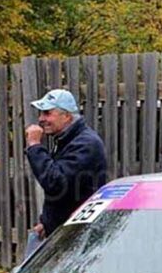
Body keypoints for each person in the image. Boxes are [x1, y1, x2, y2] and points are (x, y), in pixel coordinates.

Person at [24, 89, 107, 255]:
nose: (41, 119)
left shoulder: (85, 144)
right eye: (41, 114)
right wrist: (46, 222)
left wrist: (34, 146)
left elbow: (55, 182)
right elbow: (63, 193)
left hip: (77, 236)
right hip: (62, 231)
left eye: (47, 113)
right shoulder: (65, 140)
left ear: (67, 116)